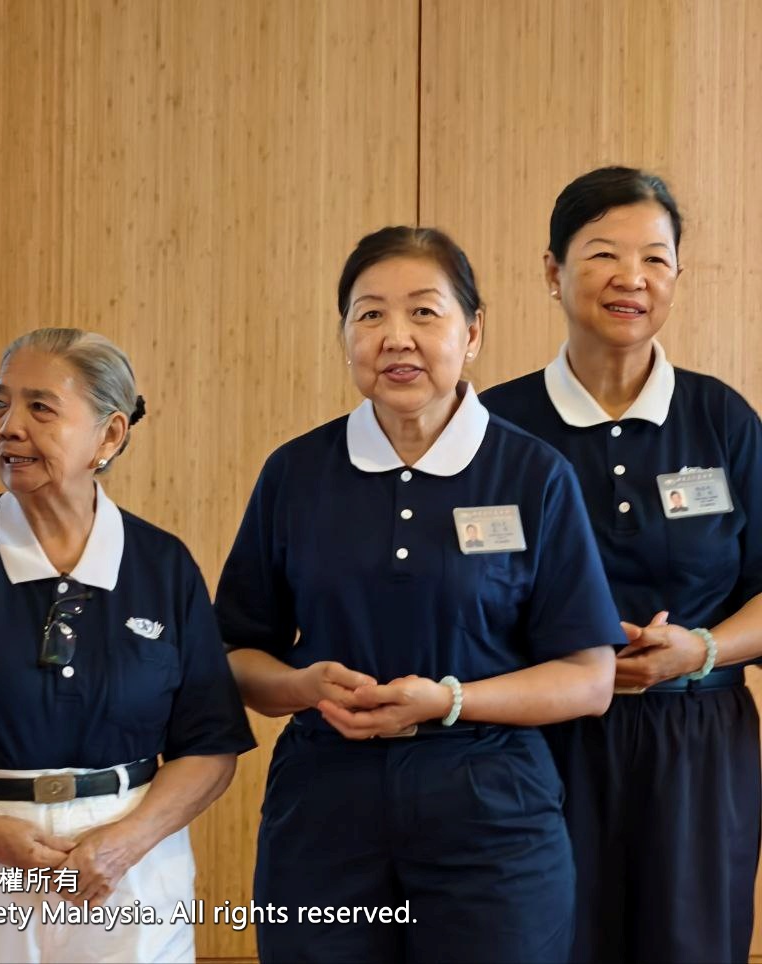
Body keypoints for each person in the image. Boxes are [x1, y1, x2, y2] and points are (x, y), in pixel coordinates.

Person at [216, 226, 625, 963]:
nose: (395, 337)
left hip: (492, 804)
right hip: (326, 802)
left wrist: (448, 699)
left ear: (472, 334)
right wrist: (302, 686)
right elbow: (236, 654)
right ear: (344, 336)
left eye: (424, 313)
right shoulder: (296, 473)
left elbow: (590, 679)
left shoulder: (533, 475)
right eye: (370, 314)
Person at [0, 328, 255, 963]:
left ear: (110, 435)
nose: (9, 428)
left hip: (124, 875)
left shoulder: (162, 564)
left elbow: (209, 747)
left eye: (40, 408)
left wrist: (127, 842)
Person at [482, 166, 762, 964]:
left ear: (677, 274)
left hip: (697, 746)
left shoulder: (721, 417)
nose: (630, 278)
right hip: (542, 744)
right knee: (547, 942)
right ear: (553, 270)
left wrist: (700, 649)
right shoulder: (495, 427)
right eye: (603, 253)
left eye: (654, 258)